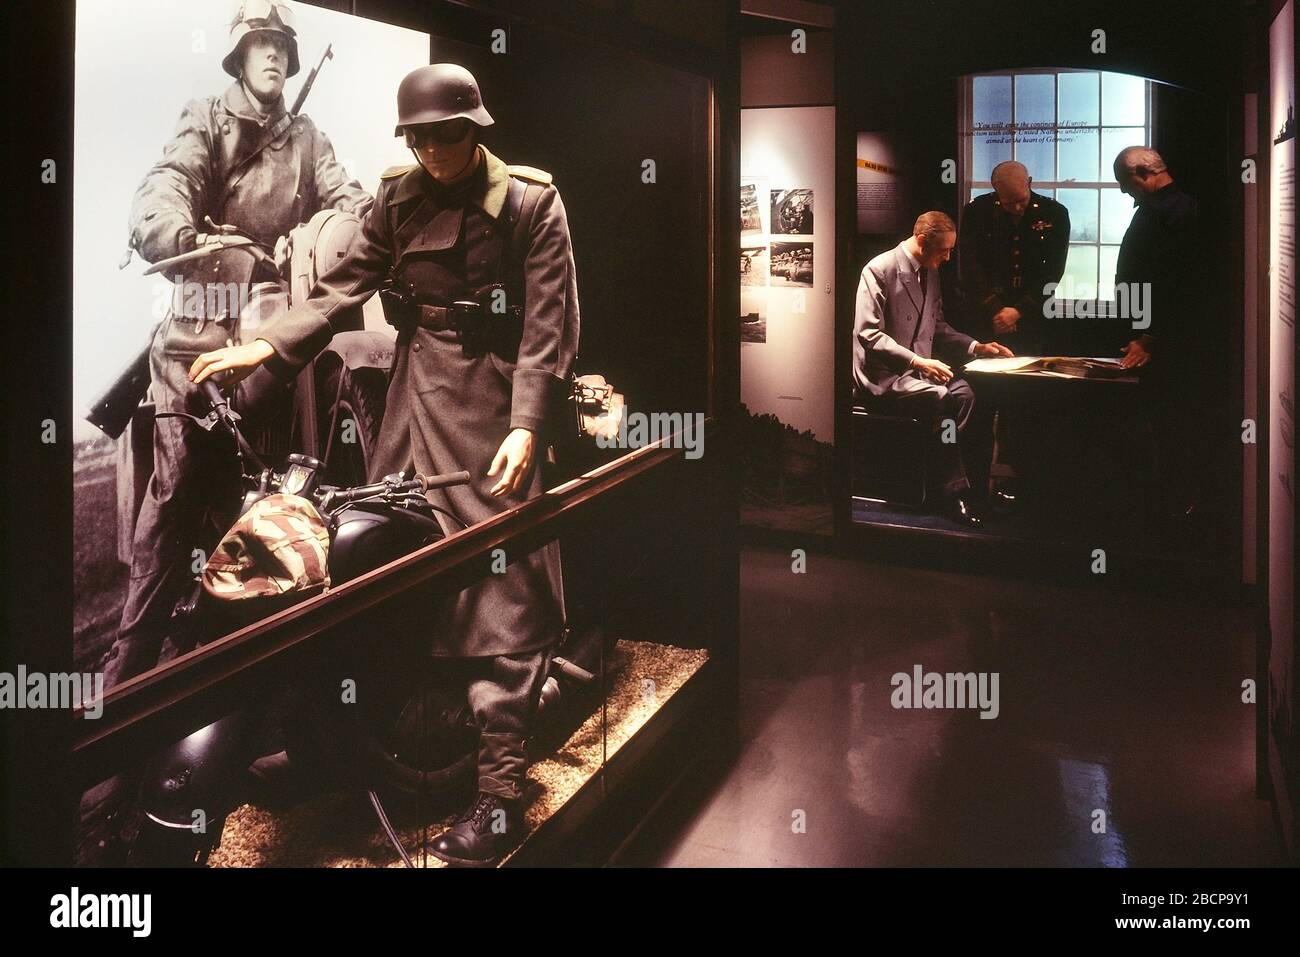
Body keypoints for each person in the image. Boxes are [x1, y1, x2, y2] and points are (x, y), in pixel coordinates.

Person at [189, 62, 580, 867]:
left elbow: (547, 326)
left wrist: (529, 426)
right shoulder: (399, 197)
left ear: (477, 129)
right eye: (422, 137)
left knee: (501, 594)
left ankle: (500, 796)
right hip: (414, 399)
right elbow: (340, 288)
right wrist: (266, 342)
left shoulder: (533, 203)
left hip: (497, 408)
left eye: (450, 135)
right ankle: (336, 747)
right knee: (375, 566)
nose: (435, 151)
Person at [80, 1, 372, 866]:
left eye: (283, 47)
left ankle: (253, 745)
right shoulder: (206, 122)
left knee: (272, 543)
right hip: (194, 350)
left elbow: (353, 202)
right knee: (161, 545)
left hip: (268, 359)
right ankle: (101, 787)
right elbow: (158, 193)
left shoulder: (307, 136)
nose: (275, 58)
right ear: (240, 57)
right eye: (262, 47)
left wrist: (332, 232)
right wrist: (190, 233)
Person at [853, 211, 1013, 527]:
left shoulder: (931, 271)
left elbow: (936, 326)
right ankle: (954, 494)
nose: (949, 257)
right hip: (882, 376)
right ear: (924, 241)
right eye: (944, 250)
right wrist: (917, 361)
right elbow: (868, 333)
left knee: (964, 393)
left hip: (916, 373)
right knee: (941, 396)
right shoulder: (879, 269)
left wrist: (976, 347)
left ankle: (951, 477)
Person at [958, 160, 1070, 507]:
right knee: (981, 401)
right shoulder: (977, 212)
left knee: (1026, 404)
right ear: (995, 192)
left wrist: (1019, 309)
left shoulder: (1054, 212)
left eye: (1021, 200)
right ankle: (976, 483)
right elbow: (969, 263)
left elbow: (1054, 269)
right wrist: (995, 309)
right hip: (985, 321)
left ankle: (1023, 481)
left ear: (1030, 184)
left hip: (1031, 320)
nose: (1017, 208)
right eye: (1009, 203)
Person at [1111, 146, 1206, 529]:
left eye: (1123, 182)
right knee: (1155, 424)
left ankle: (1175, 509)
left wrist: (1149, 337)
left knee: (1169, 424)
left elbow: (1178, 283)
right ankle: (1163, 505)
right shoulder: (1161, 209)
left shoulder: (1178, 211)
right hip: (1148, 333)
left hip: (1166, 343)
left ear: (1141, 173)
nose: (1122, 191)